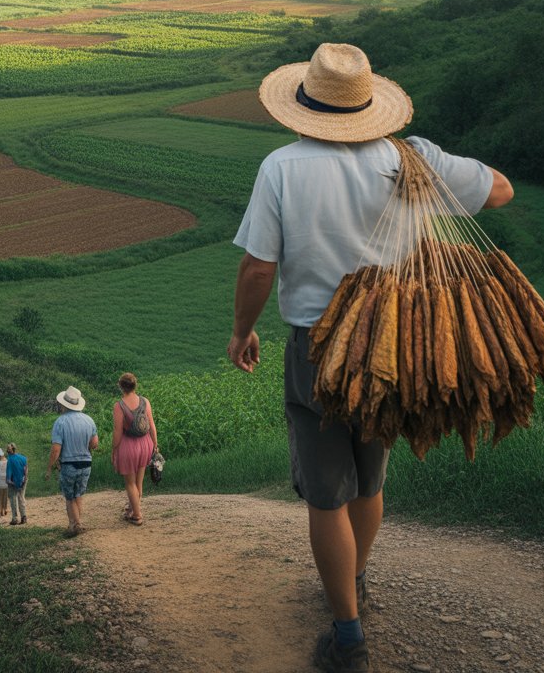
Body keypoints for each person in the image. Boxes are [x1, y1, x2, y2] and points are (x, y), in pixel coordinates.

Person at [227, 43, 514, 673]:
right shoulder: (411, 159)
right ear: (368, 106)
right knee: (369, 474)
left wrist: (241, 331)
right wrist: (436, 173)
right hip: (395, 343)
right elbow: (500, 191)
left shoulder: (282, 167)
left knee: (327, 496)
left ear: (304, 104)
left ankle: (349, 637)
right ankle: (352, 585)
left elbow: (258, 266)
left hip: (319, 347)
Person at [44, 385, 98, 537]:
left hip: (68, 464)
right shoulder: (89, 420)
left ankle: (75, 525)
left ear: (64, 404)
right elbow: (94, 443)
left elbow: (56, 449)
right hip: (86, 462)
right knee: (79, 494)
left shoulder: (60, 422)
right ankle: (74, 523)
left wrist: (49, 467)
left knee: (69, 496)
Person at [111, 372, 157, 526]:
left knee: (130, 483)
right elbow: (151, 425)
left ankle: (137, 515)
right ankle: (132, 508)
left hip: (129, 445)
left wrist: (114, 450)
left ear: (121, 386)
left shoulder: (119, 406)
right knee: (139, 482)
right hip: (145, 444)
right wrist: (155, 444)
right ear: (135, 385)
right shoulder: (145, 401)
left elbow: (117, 432)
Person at [5, 443, 28, 525]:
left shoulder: (10, 459)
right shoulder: (23, 458)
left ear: (8, 451)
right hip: (22, 481)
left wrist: (9, 481)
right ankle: (24, 517)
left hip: (13, 482)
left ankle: (15, 519)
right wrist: (24, 479)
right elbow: (26, 469)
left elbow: (9, 472)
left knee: (13, 499)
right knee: (21, 498)